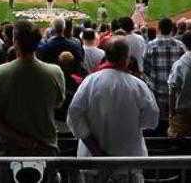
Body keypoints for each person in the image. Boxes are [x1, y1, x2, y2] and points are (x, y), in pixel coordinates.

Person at [67, 37, 159, 167]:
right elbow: (151, 121)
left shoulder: (89, 82)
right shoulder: (138, 85)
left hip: (93, 161)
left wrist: (95, 149)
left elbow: (73, 116)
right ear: (125, 59)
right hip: (128, 162)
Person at [0, 20, 65, 160]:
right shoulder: (55, 72)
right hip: (46, 150)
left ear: (15, 41)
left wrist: (21, 140)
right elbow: (58, 103)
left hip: (9, 152)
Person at [143, 18, 185, 134]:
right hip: (175, 95)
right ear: (172, 29)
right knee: (173, 123)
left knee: (158, 124)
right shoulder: (180, 46)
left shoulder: (150, 46)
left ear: (159, 29)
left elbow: (145, 70)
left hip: (156, 93)